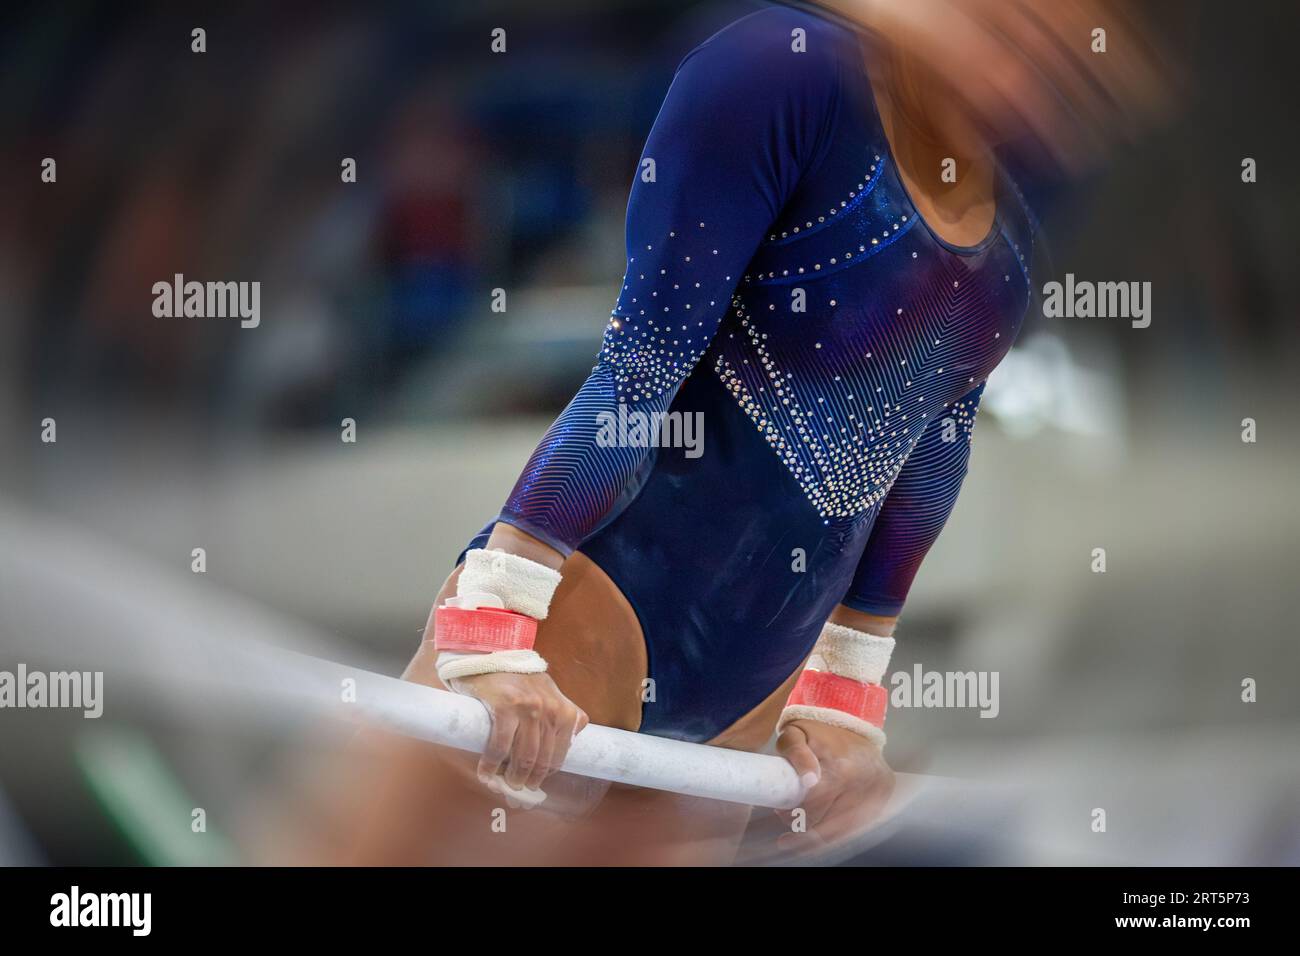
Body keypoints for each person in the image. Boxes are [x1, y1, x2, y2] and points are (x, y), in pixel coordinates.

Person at [330, 1, 1167, 865]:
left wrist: (842, 697)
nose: (1026, 84)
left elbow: (927, 459)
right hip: (597, 603)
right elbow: (641, 369)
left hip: (751, 680)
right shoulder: (783, 75)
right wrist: (495, 619)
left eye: (1063, 71)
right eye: (1008, 33)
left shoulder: (1015, 229)